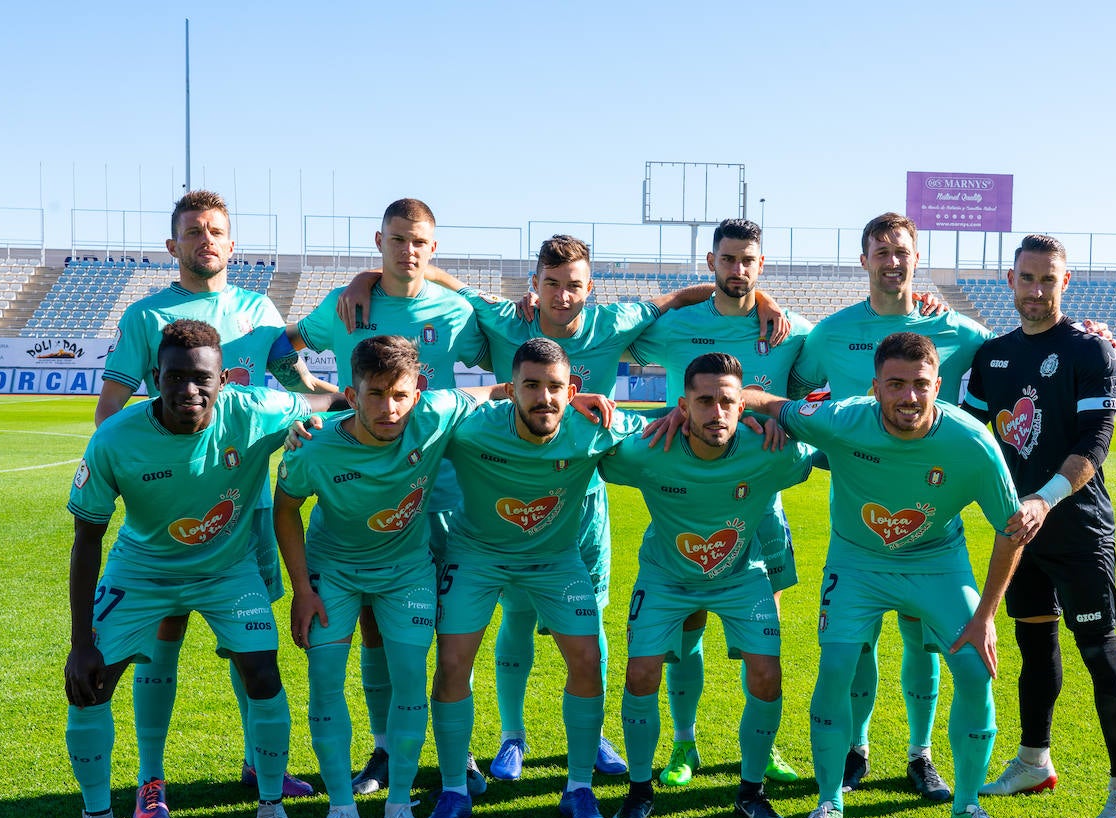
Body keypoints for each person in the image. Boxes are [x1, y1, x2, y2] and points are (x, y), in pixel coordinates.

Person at [336, 233, 787, 782]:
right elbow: (437, 276)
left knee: (588, 621)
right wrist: (367, 278)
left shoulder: (613, 322)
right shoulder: (507, 320)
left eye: (574, 285)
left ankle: (591, 737)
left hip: (581, 497)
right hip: (500, 493)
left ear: (590, 288)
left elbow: (676, 298)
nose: (562, 296)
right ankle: (511, 735)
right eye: (551, 284)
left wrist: (760, 297)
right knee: (513, 617)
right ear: (535, 284)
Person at [53, 319, 337, 818]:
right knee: (89, 686)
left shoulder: (256, 410)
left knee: (263, 673)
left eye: (202, 378)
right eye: (174, 377)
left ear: (223, 380)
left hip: (227, 570)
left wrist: (316, 417)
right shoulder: (115, 439)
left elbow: (325, 403)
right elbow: (86, 540)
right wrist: (80, 642)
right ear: (155, 377)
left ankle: (271, 809)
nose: (188, 390)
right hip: (143, 569)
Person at [740, 331, 1039, 818]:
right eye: (895, 384)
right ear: (875, 387)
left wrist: (986, 616)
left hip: (937, 563)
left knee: (975, 669)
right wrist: (722, 401)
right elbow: (767, 402)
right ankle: (829, 802)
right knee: (837, 666)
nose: (909, 396)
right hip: (857, 562)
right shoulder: (841, 418)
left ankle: (967, 808)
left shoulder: (971, 442)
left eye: (920, 384)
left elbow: (1011, 530)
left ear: (938, 386)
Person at [96, 190, 331, 818]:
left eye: (216, 230)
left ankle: (261, 764)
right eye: (194, 231)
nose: (206, 240)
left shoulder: (258, 309)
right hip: (175, 506)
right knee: (163, 636)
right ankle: (151, 778)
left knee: (247, 640)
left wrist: (356, 401)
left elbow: (299, 386)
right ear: (173, 245)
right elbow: (112, 406)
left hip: (246, 504)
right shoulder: (147, 315)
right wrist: (134, 481)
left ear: (232, 244)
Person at [285, 198, 491, 798]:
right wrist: (318, 400)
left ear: (434, 247)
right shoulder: (346, 305)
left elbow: (501, 358)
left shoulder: (456, 310)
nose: (408, 251)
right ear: (380, 241)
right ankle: (382, 748)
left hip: (444, 492)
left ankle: (457, 748)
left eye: (419, 241)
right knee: (377, 626)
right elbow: (281, 346)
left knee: (452, 628)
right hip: (369, 491)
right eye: (397, 240)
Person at [784, 212, 993, 802]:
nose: (893, 262)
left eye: (902, 251)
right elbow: (795, 391)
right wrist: (820, 450)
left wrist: (1087, 330)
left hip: (929, 516)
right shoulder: (830, 333)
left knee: (923, 639)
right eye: (882, 251)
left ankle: (920, 754)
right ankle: (856, 747)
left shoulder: (956, 330)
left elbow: (1016, 351)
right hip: (857, 516)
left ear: (916, 258)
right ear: (864, 261)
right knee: (859, 642)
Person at [274, 335, 503, 818]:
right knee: (325, 681)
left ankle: (399, 807)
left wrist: (571, 396)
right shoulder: (315, 446)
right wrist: (302, 590)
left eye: (400, 395)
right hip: (334, 573)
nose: (389, 408)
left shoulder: (434, 414)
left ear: (418, 393)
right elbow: (284, 509)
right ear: (351, 395)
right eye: (374, 395)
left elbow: (495, 392)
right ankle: (340, 811)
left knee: (410, 680)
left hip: (407, 573)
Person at [423, 337, 642, 818]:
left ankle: (579, 787)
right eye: (531, 386)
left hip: (556, 561)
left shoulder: (593, 428)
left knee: (587, 660)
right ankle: (454, 789)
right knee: (452, 663)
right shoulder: (473, 426)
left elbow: (673, 425)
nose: (544, 397)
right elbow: (415, 410)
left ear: (573, 391)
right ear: (511, 389)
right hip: (477, 556)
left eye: (555, 387)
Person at [964, 234, 1116, 818]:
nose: (1036, 290)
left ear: (1066, 282)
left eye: (1048, 279)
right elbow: (970, 436)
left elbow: (1094, 442)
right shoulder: (992, 356)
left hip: (1076, 527)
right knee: (1034, 644)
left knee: (1098, 650)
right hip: (1019, 528)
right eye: (1027, 278)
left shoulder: (1091, 350)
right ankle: (1034, 761)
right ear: (1009, 279)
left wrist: (1045, 497)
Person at [626, 217, 812, 788]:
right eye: (727, 259)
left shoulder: (789, 331)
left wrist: (771, 408)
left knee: (763, 631)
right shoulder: (678, 325)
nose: (738, 270)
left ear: (762, 265)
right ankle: (685, 743)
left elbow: (820, 393)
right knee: (687, 622)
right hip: (690, 491)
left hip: (762, 502)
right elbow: (616, 336)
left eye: (748, 260)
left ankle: (764, 748)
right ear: (711, 263)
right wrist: (683, 295)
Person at [599, 352, 816, 818]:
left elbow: (833, 436)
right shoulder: (650, 448)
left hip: (741, 576)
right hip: (666, 577)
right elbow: (595, 439)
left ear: (741, 406)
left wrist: (773, 414)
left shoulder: (770, 449)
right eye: (703, 401)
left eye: (727, 402)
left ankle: (751, 792)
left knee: (767, 675)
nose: (716, 412)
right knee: (641, 672)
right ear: (683, 406)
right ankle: (639, 792)